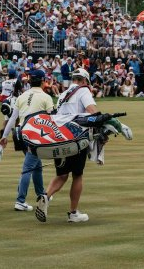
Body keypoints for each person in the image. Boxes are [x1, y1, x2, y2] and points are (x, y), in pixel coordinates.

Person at [36, 68, 99, 224]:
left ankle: (46, 196)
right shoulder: (83, 91)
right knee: (77, 175)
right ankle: (73, 213)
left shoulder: (63, 94)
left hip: (60, 139)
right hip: (76, 139)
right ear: (84, 81)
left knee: (62, 175)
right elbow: (93, 112)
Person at [0, 70, 54, 212]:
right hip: (36, 136)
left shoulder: (22, 96)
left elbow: (12, 118)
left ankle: (41, 194)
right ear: (43, 81)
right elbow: (52, 119)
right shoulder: (46, 97)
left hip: (20, 135)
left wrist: (4, 136)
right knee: (28, 168)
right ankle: (20, 200)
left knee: (37, 166)